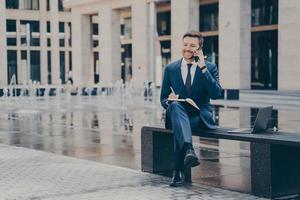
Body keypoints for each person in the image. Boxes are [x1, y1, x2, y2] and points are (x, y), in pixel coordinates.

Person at [160, 30, 222, 187]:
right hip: (179, 112)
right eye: (185, 44)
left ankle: (178, 171)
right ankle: (189, 149)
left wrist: (203, 69)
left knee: (179, 126)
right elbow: (163, 98)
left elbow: (216, 94)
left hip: (200, 117)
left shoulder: (209, 67)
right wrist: (169, 101)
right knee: (175, 109)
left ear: (199, 48)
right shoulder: (171, 68)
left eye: (192, 45)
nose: (188, 48)